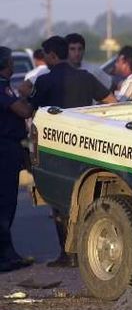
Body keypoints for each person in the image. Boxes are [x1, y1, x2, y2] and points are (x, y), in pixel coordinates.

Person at [20, 36, 116, 268]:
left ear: (52, 56)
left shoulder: (44, 81)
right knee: (84, 198)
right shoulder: (86, 77)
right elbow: (111, 101)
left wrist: (22, 94)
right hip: (83, 146)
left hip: (54, 149)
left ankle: (67, 254)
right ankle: (85, 253)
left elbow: (28, 111)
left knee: (58, 201)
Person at [0, 46, 34, 272]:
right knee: (6, 202)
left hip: (8, 148)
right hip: (4, 149)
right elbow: (23, 111)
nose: (13, 65)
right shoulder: (3, 88)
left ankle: (8, 253)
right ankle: (5, 256)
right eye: (11, 62)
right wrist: (25, 95)